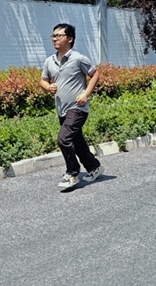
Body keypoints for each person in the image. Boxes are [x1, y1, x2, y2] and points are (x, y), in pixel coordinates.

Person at [40, 23, 104, 190]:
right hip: (62, 108)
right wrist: (48, 87)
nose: (55, 39)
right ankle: (94, 167)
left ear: (69, 38)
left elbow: (95, 75)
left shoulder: (78, 58)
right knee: (77, 141)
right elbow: (43, 80)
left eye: (58, 36)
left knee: (64, 139)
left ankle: (72, 173)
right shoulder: (49, 61)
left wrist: (85, 94)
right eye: (53, 36)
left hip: (77, 107)